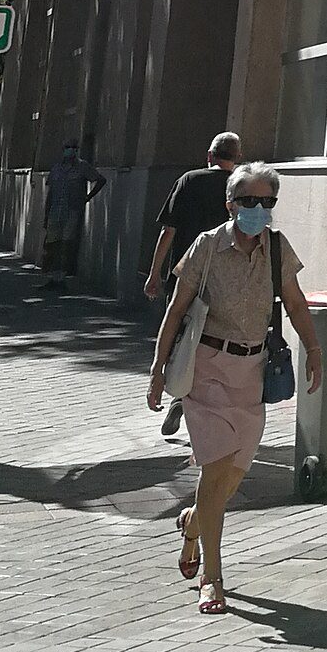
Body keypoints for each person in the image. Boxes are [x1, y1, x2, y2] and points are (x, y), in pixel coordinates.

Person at [148, 160, 321, 616]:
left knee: (234, 475)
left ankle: (192, 525)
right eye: (248, 201)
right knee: (215, 465)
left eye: (267, 202)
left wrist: (315, 351)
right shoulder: (206, 247)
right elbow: (176, 308)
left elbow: (298, 304)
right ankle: (212, 577)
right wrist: (157, 368)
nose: (257, 209)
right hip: (207, 368)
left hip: (252, 372)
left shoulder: (278, 250)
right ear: (230, 204)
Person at [143, 131, 242, 438]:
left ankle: (177, 391)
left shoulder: (188, 181)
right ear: (236, 158)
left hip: (187, 275)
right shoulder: (239, 187)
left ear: (209, 155)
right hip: (224, 279)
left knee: (178, 332)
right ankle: (193, 403)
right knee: (212, 343)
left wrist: (154, 273)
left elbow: (168, 232)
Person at [39, 137, 106, 288]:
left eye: (73, 147)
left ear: (76, 150)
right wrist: (46, 213)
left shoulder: (82, 167)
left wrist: (87, 198)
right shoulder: (56, 168)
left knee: (66, 245)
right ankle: (52, 278)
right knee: (52, 245)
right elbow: (50, 192)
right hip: (55, 211)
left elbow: (100, 180)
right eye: (67, 147)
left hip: (72, 211)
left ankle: (61, 278)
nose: (70, 150)